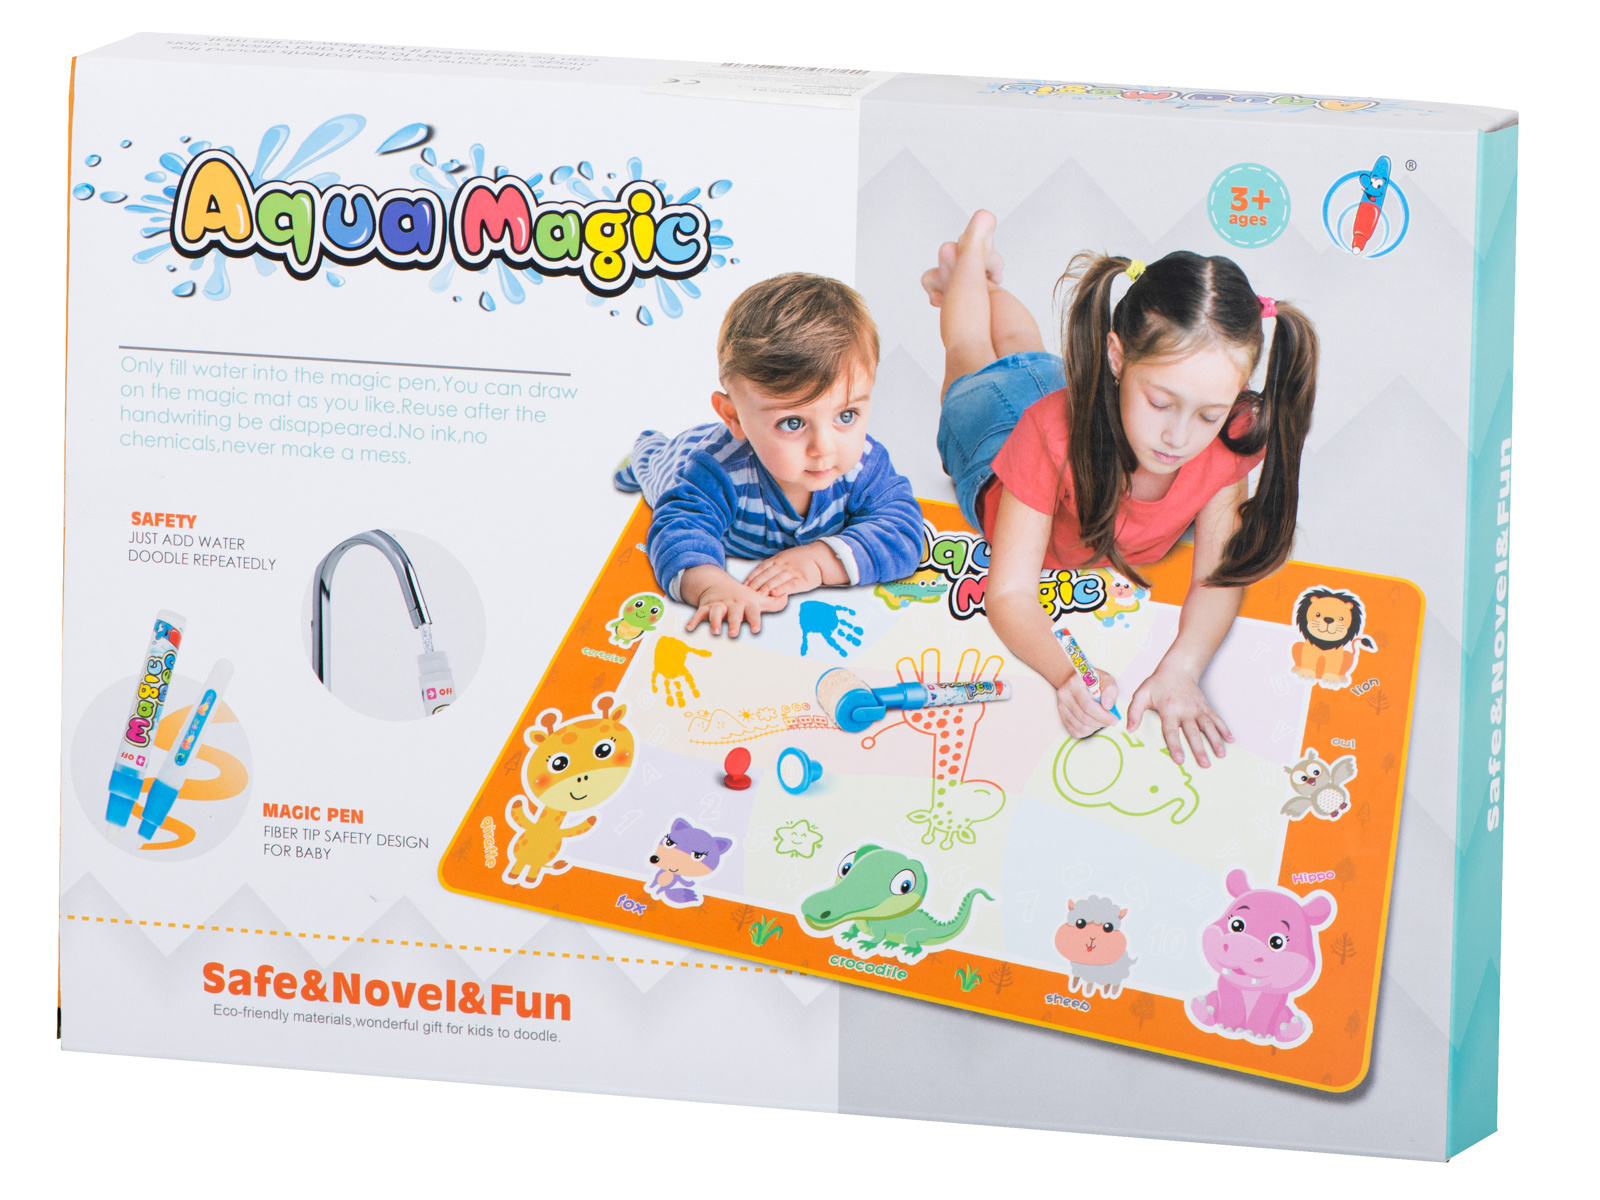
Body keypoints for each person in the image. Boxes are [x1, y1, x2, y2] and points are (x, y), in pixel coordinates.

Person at [924, 211, 1318, 765]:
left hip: (1073, 397)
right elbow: (1009, 593)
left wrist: (1182, 667)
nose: (1178, 437)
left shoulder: (1228, 438)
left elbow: (1218, 575)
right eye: (1160, 403)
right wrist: (1067, 673)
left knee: (1022, 344)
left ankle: (988, 283)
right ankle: (968, 263)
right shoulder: (1049, 435)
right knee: (971, 348)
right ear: (1116, 356)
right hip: (991, 432)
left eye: (1208, 414)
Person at [617, 272, 924, 637]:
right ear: (734, 417)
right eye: (793, 423)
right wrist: (713, 586)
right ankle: (642, 451)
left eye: (846, 416)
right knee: (652, 466)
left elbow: (903, 532)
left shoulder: (865, 465)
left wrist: (820, 562)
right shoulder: (715, 471)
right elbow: (678, 530)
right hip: (679, 457)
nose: (824, 448)